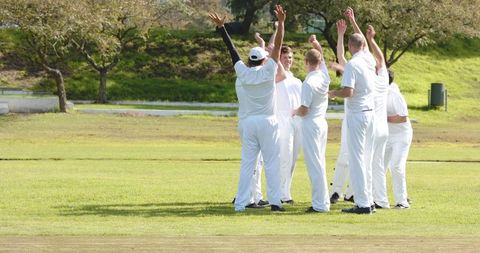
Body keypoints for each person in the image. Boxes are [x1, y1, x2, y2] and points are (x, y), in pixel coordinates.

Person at [208, 5, 286, 212]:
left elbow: (232, 51)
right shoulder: (269, 70)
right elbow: (277, 47)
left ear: (250, 60)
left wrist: (223, 28)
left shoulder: (242, 72)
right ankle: (276, 203)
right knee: (271, 163)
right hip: (268, 121)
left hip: (249, 123)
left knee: (248, 165)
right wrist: (281, 24)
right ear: (263, 59)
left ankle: (241, 204)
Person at [328, 27, 376, 214]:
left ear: (350, 46)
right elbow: (345, 59)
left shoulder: (354, 65)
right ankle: (368, 200)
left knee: (356, 159)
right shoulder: (368, 60)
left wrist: (332, 93)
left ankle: (363, 204)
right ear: (363, 45)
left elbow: (348, 92)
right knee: (366, 158)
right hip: (370, 114)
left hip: (357, 115)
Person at [293, 36, 331, 213]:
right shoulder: (324, 75)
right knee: (319, 162)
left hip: (311, 124)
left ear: (306, 62)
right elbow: (321, 57)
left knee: (314, 164)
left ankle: (320, 204)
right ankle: (323, 202)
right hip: (322, 122)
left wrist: (293, 112)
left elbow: (304, 109)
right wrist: (316, 44)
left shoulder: (308, 82)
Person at [385, 70, 413, 209]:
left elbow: (402, 117)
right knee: (379, 166)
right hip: (386, 136)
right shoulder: (377, 92)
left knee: (396, 166)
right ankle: (377, 199)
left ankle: (402, 201)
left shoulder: (395, 95)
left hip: (401, 136)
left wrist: (383, 118)